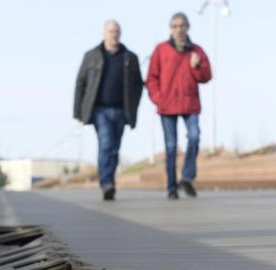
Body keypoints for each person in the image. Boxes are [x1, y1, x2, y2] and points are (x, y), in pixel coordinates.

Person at [74, 20, 143, 201]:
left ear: (120, 34)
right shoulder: (92, 56)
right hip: (99, 110)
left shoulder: (130, 58)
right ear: (104, 33)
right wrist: (78, 111)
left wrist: (133, 108)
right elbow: (81, 83)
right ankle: (106, 183)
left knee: (114, 148)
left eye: (117, 31)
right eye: (111, 31)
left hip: (121, 110)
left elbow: (138, 85)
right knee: (105, 143)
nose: (114, 34)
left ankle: (109, 180)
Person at [147, 12, 212, 199]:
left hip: (189, 103)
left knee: (194, 137)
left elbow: (207, 76)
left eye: (182, 26)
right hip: (167, 106)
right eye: (175, 26)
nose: (178, 29)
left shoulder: (196, 51)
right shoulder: (161, 50)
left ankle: (187, 177)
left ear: (187, 28)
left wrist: (196, 67)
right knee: (171, 146)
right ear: (170, 29)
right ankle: (171, 187)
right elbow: (151, 78)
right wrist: (158, 98)